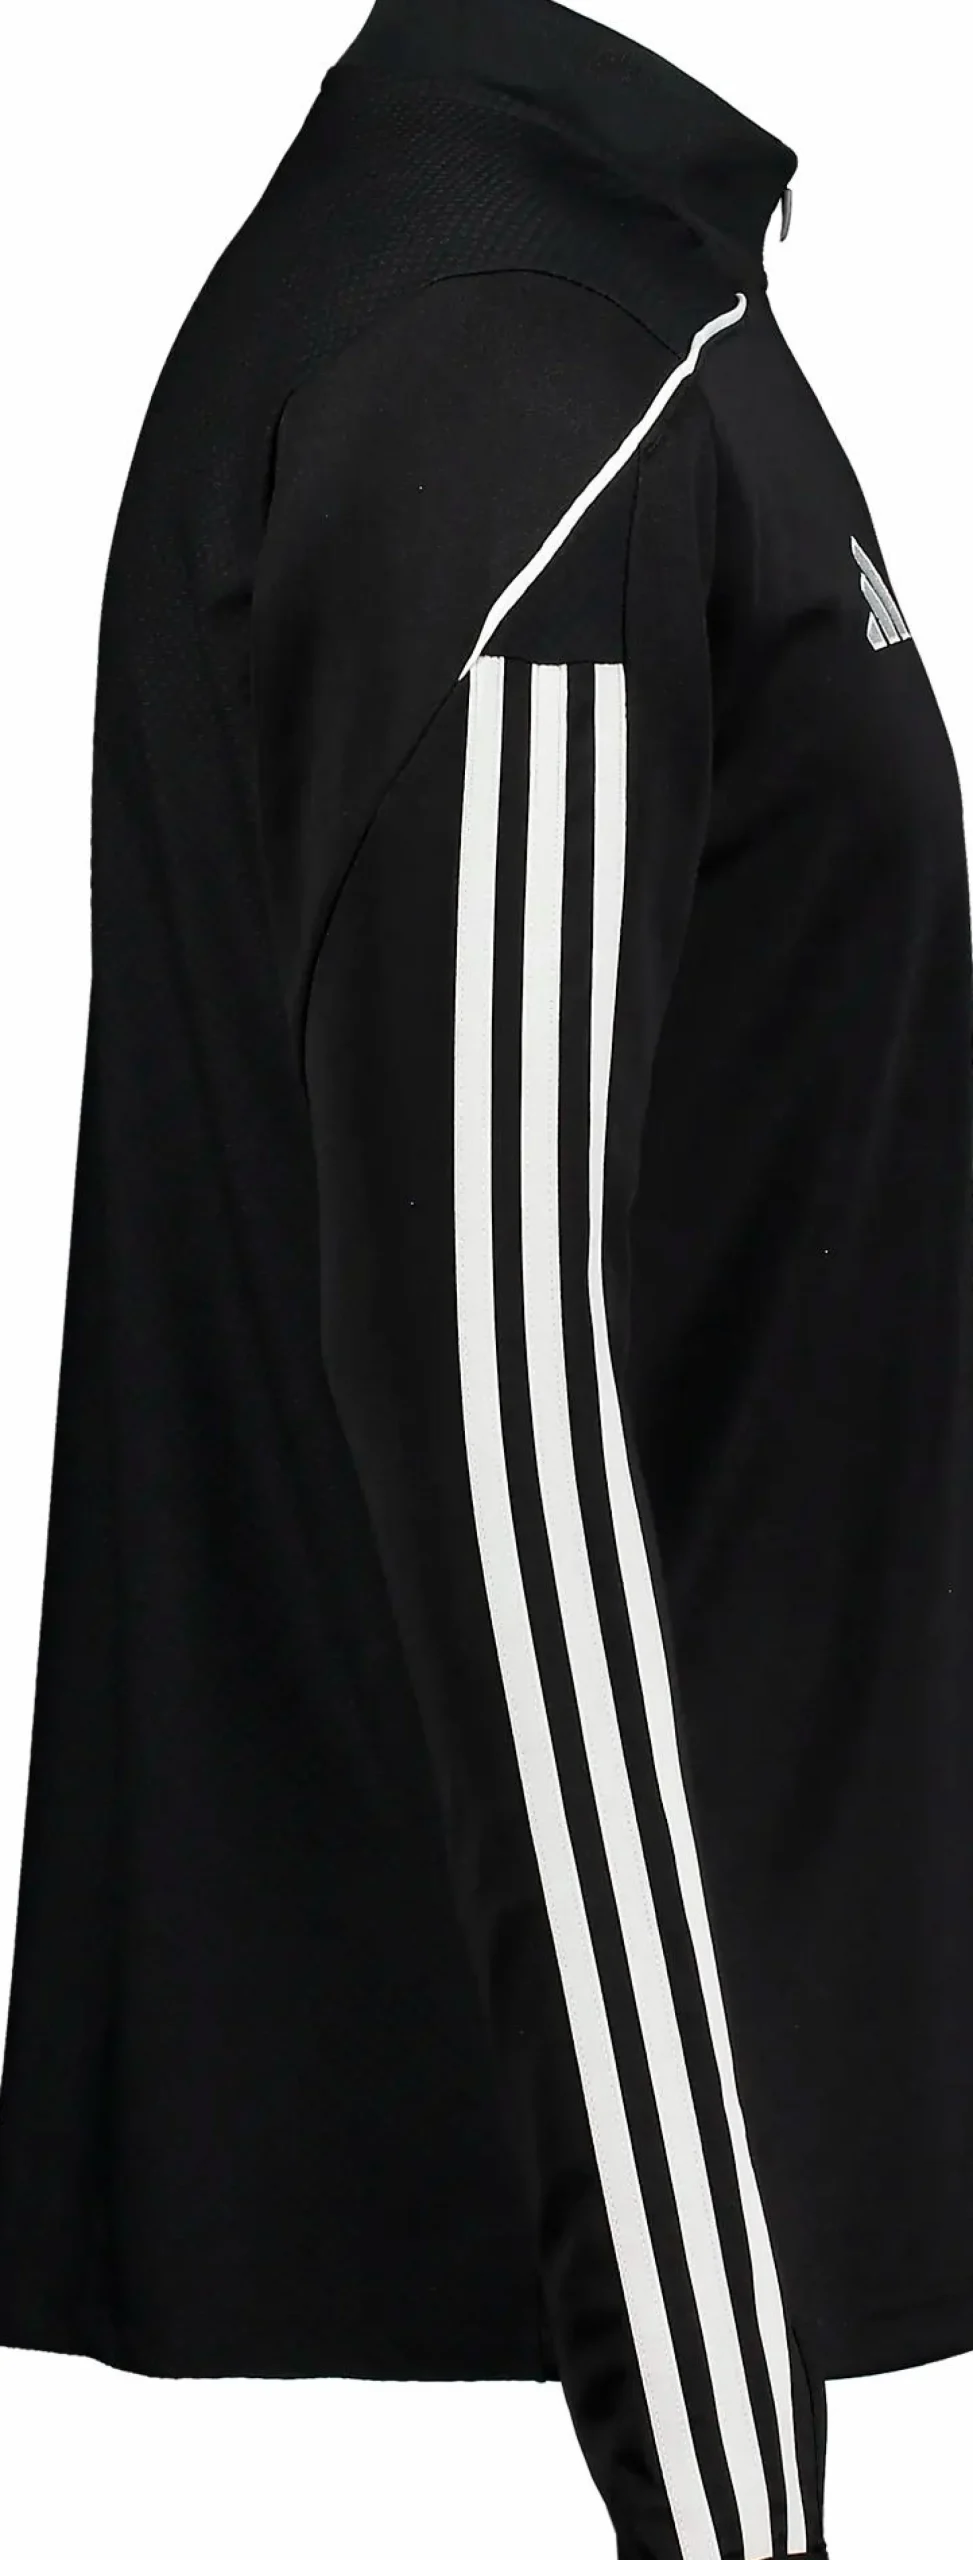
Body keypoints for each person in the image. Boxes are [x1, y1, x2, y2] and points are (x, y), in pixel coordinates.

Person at [2, 5, 972, 2555]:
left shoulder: (625, 299)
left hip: (651, 2245)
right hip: (554, 2358)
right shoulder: (512, 360)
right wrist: (730, 2484)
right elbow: (494, 1404)